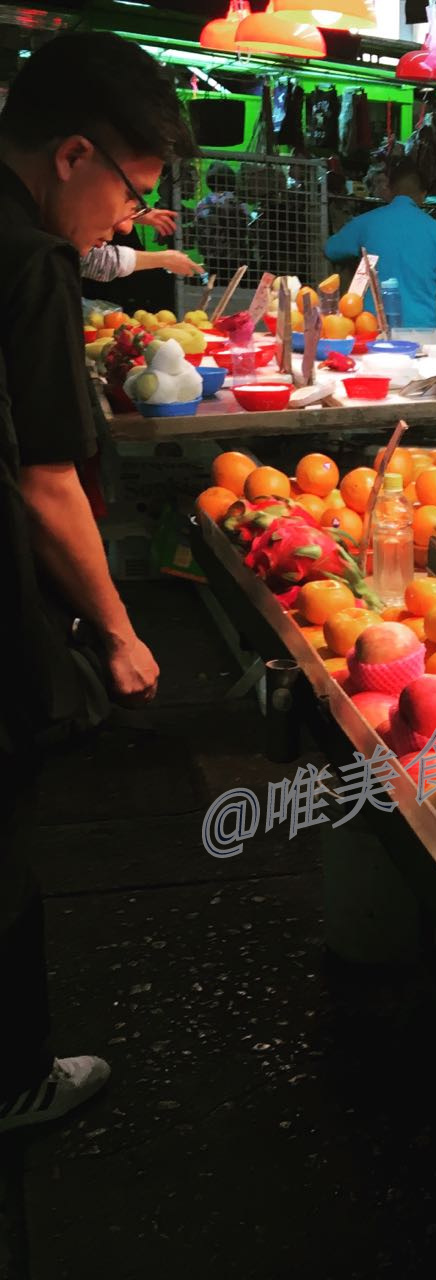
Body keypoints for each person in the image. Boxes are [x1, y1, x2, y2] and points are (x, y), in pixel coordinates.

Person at [0, 31, 193, 1134]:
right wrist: (118, 630)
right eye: (130, 192)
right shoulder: (27, 257)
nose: (126, 222)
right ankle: (15, 1078)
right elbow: (43, 478)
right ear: (73, 154)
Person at [324, 156, 436, 334]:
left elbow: (330, 249)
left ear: (391, 189)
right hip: (423, 332)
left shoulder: (366, 222)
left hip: (372, 329)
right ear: (423, 194)